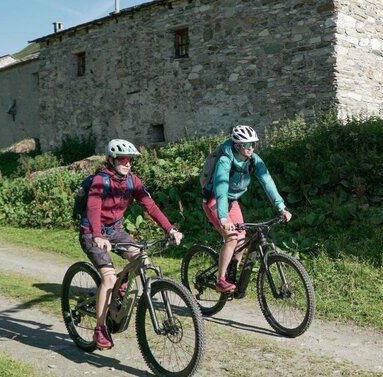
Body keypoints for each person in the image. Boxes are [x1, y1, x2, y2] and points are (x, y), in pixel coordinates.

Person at [79, 139, 183, 351]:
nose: (128, 164)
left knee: (141, 257)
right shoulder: (101, 180)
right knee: (108, 278)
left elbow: (150, 206)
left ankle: (121, 287)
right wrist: (97, 235)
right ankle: (100, 328)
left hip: (115, 231)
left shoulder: (131, 181)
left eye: (130, 160)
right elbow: (93, 207)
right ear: (111, 160)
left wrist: (170, 229)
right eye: (123, 160)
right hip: (92, 232)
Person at [202, 125, 292, 293]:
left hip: (233, 201)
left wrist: (281, 207)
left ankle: (231, 270)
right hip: (214, 200)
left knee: (242, 240)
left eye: (254, 144)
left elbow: (267, 182)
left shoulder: (254, 160)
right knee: (231, 237)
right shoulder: (225, 160)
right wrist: (223, 218)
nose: (251, 147)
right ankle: (220, 280)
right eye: (247, 144)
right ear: (237, 146)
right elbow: (221, 189)